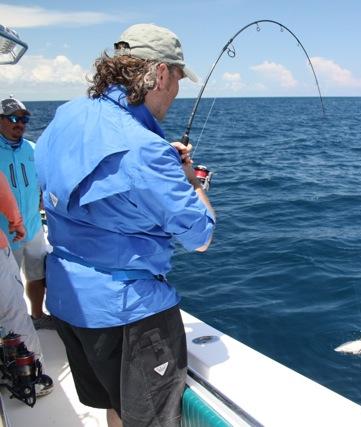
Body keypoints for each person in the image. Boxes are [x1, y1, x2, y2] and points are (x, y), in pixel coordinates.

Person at [34, 23, 215, 427]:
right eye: (179, 78)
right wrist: (192, 181)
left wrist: (160, 164)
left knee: (114, 406)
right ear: (161, 74)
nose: (177, 91)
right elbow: (201, 236)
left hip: (69, 301)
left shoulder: (68, 114)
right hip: (129, 316)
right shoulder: (145, 150)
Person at [0, 97, 54, 330]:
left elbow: (43, 182)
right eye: (13, 118)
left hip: (33, 227)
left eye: (24, 118)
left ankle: (37, 315)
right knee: (7, 285)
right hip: (5, 234)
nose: (19, 123)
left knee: (36, 274)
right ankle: (10, 328)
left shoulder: (33, 149)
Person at [0, 172, 53, 397]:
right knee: (13, 312)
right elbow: (4, 193)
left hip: (30, 231)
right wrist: (16, 222)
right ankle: (31, 377)